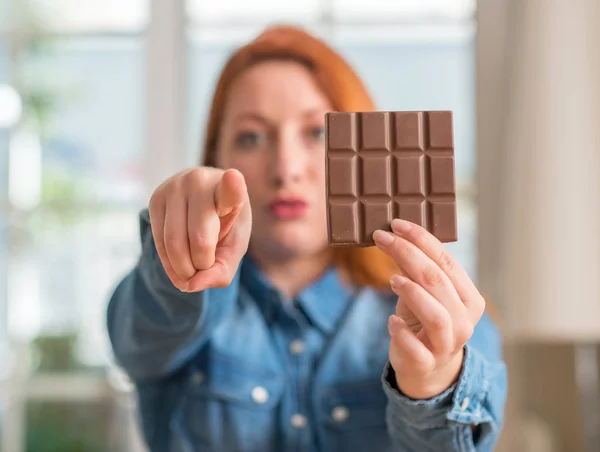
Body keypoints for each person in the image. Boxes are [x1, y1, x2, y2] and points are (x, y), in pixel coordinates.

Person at [107, 25, 507, 452]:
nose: (286, 168)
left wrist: (431, 384)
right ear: (216, 160)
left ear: (369, 153)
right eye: (251, 137)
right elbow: (144, 328)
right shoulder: (176, 307)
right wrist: (179, 245)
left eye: (316, 133)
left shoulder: (443, 318)